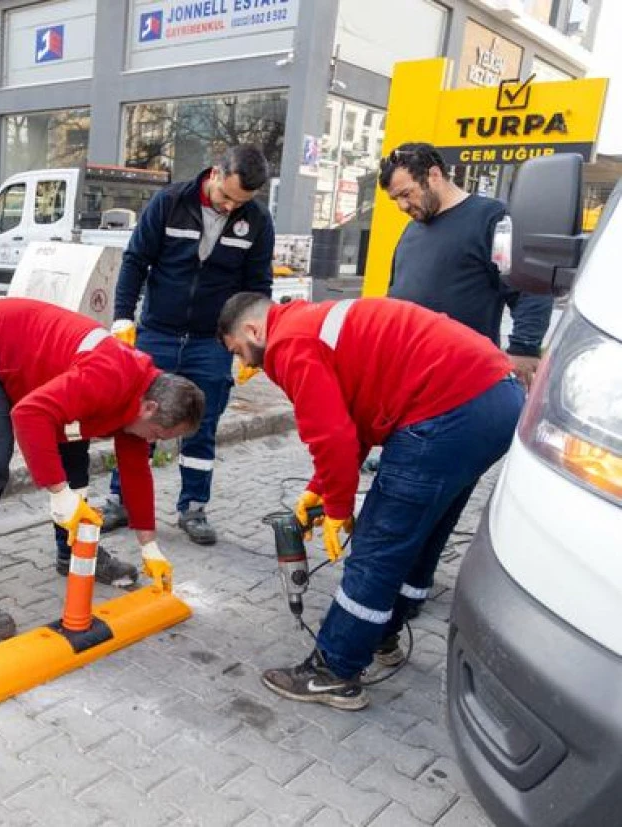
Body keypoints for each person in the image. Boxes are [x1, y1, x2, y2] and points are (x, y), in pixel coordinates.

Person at [217, 293, 524, 710]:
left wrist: (340, 509)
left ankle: (335, 669)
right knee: (425, 527)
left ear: (254, 330)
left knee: (377, 545)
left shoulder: (289, 343)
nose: (247, 366)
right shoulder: (311, 321)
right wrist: (320, 488)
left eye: (241, 352)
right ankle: (384, 633)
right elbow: (353, 421)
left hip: (446, 408)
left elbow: (333, 437)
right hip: (494, 399)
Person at [0, 297, 206, 641]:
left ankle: (72, 554)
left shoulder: (141, 400)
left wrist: (149, 546)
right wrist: (56, 490)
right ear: (150, 408)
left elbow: (136, 471)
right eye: (158, 434)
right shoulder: (108, 378)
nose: (153, 440)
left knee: (76, 457)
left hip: (40, 367)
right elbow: (29, 414)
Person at [105, 144, 275, 545]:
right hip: (158, 332)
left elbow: (257, 287)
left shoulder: (257, 221)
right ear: (215, 173)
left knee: (202, 423)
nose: (232, 207)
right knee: (139, 415)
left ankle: (193, 507)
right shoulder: (169, 202)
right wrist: (123, 319)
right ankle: (121, 499)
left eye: (242, 202)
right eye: (227, 196)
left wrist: (256, 342)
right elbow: (135, 261)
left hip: (211, 341)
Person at [378, 142, 552, 387]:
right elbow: (395, 294)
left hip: (465, 380)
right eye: (396, 199)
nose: (402, 206)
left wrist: (524, 348)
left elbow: (530, 287)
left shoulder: (493, 219)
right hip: (409, 376)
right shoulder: (411, 230)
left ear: (434, 175)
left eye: (407, 194)